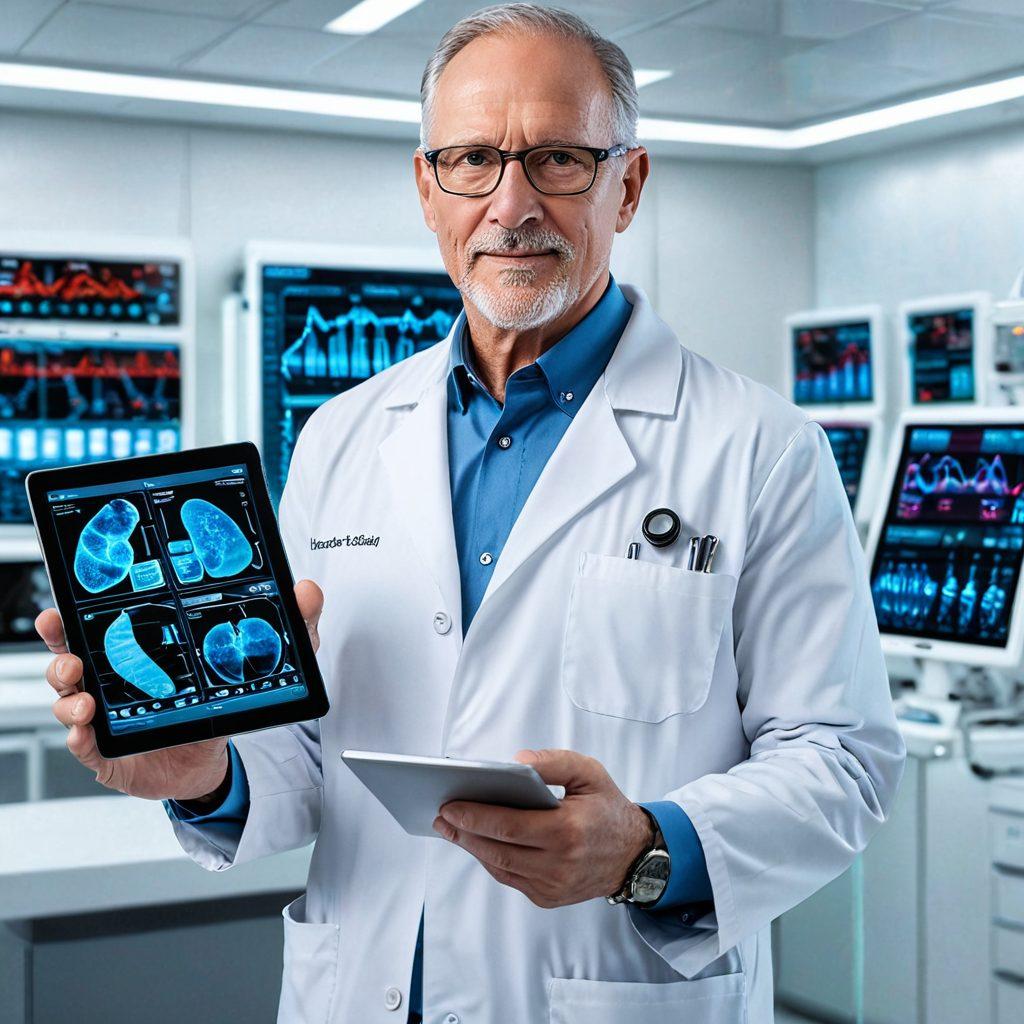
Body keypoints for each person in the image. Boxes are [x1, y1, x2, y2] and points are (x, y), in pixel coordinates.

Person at [38, 5, 906, 1022]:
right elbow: (309, 752)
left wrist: (643, 844)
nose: (510, 204)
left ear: (627, 186)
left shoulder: (759, 447)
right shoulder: (341, 436)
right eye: (471, 161)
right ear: (426, 186)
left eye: (558, 161)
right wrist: (205, 768)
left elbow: (841, 759)